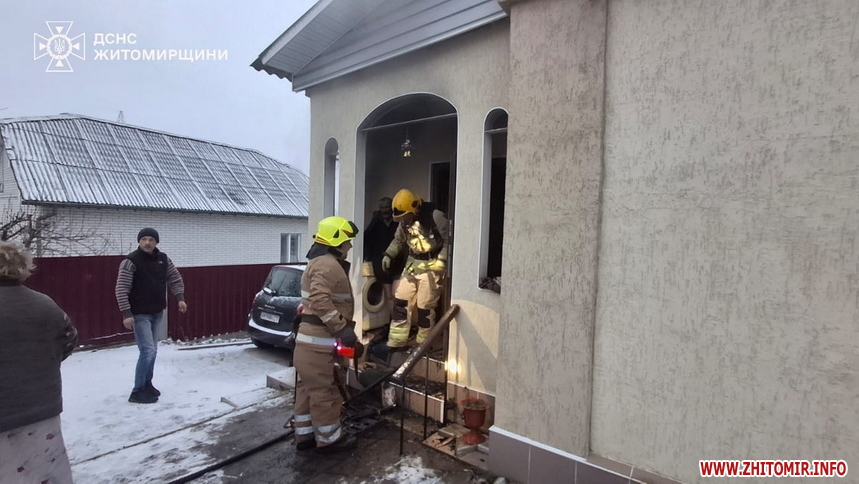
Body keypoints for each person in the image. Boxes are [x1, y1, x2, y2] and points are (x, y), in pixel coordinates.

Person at [0, 241, 78, 484]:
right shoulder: (45, 304)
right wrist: (41, 361)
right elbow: (69, 340)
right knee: (47, 475)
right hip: (42, 410)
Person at [293, 216, 361, 454]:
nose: (349, 246)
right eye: (347, 241)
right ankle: (330, 439)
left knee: (307, 389)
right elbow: (320, 300)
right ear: (336, 240)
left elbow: (314, 300)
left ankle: (305, 436)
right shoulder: (327, 264)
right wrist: (342, 328)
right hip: (319, 343)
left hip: (309, 343)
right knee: (325, 391)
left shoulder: (318, 262)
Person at [115, 227, 187, 404]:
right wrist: (126, 313)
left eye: (151, 240)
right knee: (147, 350)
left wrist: (180, 298)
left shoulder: (163, 259)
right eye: (144, 239)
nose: (147, 243)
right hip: (139, 314)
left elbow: (175, 278)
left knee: (152, 350)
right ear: (139, 241)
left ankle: (147, 384)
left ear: (156, 242)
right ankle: (137, 390)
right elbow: (121, 289)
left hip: (157, 312)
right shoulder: (130, 261)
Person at [382, 188, 449, 348]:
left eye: (405, 217)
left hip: (432, 265)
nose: (404, 221)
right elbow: (398, 241)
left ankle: (423, 345)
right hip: (413, 263)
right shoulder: (404, 222)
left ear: (414, 209)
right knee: (401, 301)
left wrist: (442, 261)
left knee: (425, 307)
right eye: (400, 218)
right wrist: (389, 255)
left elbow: (449, 240)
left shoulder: (435, 216)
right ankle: (396, 342)